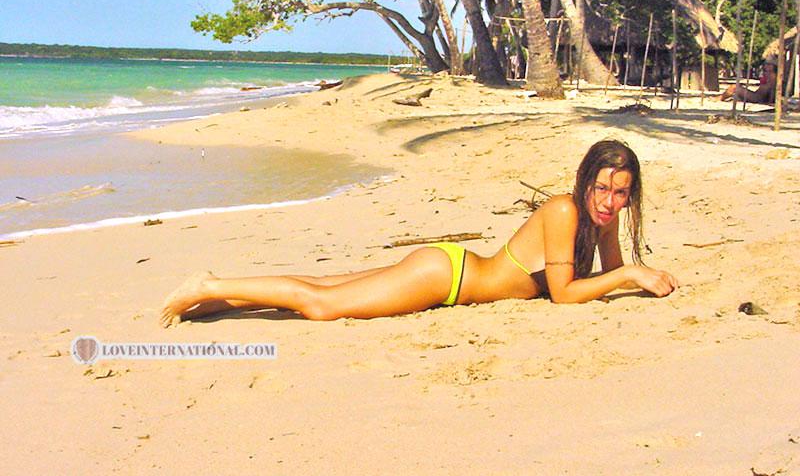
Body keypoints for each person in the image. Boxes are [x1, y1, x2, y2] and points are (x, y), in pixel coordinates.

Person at [160, 139, 677, 326]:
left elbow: (608, 275)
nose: (609, 201)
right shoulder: (565, 210)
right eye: (602, 189)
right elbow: (565, 294)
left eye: (621, 193)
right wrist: (630, 274)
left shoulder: (601, 218)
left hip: (449, 269)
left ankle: (215, 304)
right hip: (444, 279)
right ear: (584, 182)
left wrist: (630, 272)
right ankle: (209, 284)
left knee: (328, 285)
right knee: (322, 305)